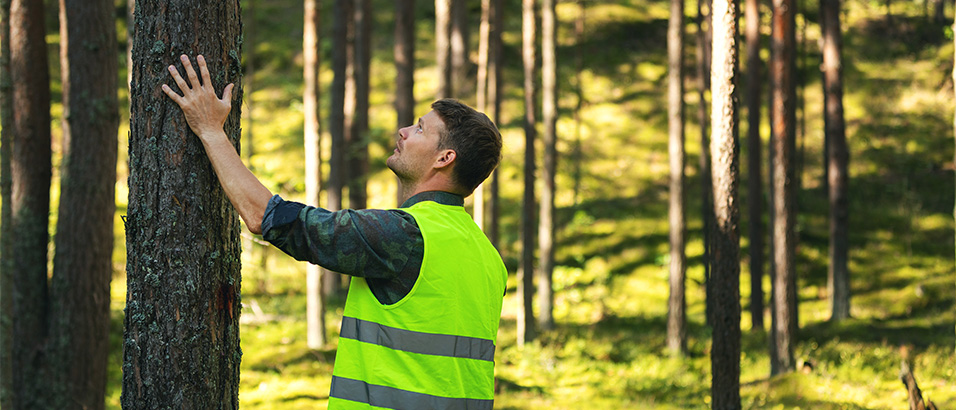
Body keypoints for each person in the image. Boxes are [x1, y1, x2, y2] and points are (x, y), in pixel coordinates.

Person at [162, 54, 506, 410]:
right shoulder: (488, 259)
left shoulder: (404, 236)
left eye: (419, 129)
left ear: (444, 158)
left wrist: (210, 131)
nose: (403, 131)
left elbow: (265, 216)